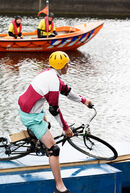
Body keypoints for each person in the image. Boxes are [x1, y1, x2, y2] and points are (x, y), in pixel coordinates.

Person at [18, 51, 92, 193]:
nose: (68, 66)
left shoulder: (50, 73)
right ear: (61, 66)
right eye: (67, 64)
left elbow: (66, 91)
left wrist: (84, 100)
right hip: (30, 115)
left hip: (29, 106)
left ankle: (34, 140)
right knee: (54, 149)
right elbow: (54, 110)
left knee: (47, 125)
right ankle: (59, 187)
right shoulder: (53, 82)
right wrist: (65, 128)